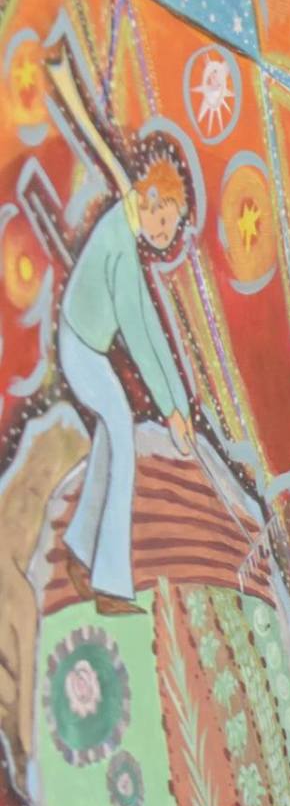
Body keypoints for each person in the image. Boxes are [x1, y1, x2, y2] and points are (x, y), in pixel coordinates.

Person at [56, 135, 196, 615]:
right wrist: (170, 411)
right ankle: (111, 583)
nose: (168, 234)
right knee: (120, 435)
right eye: (166, 220)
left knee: (110, 437)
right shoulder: (119, 242)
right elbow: (137, 337)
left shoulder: (126, 233)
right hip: (80, 348)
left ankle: (80, 549)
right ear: (150, 201)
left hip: (86, 348)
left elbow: (153, 330)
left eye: (174, 226)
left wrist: (180, 407)